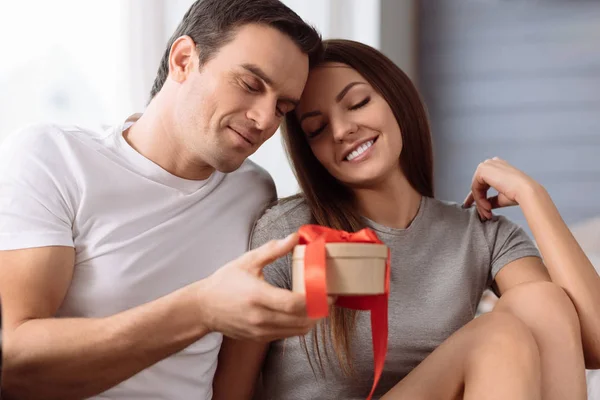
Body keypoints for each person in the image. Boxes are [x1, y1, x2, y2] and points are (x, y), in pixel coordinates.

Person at [213, 39, 600, 400]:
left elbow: (593, 345)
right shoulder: (287, 233)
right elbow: (231, 392)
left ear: (395, 98)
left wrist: (535, 199)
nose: (343, 130)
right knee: (495, 335)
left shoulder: (478, 233)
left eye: (358, 103)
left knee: (541, 298)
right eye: (317, 129)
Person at [0, 1, 323, 399]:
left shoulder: (253, 191)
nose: (264, 120)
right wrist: (201, 308)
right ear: (184, 60)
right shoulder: (53, 157)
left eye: (282, 107)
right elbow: (15, 361)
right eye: (251, 85)